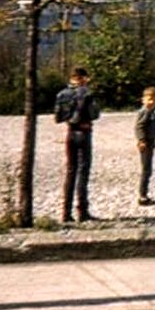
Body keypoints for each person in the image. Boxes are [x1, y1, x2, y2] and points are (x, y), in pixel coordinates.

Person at [54, 67, 101, 222]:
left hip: (70, 132)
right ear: (83, 78)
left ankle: (66, 212)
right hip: (84, 131)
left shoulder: (61, 94)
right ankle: (82, 210)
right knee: (83, 171)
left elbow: (58, 117)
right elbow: (95, 114)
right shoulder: (87, 93)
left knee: (70, 171)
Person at [134, 86, 155, 206]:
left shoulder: (152, 112)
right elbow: (139, 126)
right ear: (143, 100)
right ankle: (142, 195)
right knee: (146, 169)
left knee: (148, 169)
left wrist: (153, 141)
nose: (152, 102)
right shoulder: (144, 111)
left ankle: (144, 193)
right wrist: (142, 140)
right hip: (145, 143)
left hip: (150, 142)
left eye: (154, 99)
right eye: (149, 99)